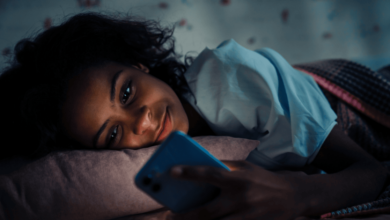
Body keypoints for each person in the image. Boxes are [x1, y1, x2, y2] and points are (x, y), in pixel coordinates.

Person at [0, 12, 387, 220]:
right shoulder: (171, 166)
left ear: (139, 63)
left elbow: (372, 171)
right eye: (113, 135)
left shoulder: (227, 76)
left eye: (127, 91)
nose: (140, 122)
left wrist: (298, 196)